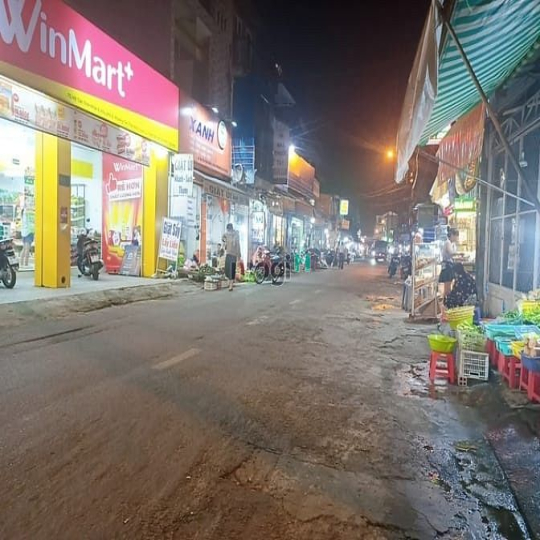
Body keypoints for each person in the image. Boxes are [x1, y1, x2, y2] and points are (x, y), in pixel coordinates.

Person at [439, 228, 459, 298]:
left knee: (449, 284)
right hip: (447, 266)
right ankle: (446, 300)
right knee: (447, 285)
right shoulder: (448, 242)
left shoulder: (452, 243)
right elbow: (451, 253)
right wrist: (459, 254)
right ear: (452, 235)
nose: (457, 238)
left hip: (450, 265)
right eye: (456, 236)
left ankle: (447, 299)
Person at [223, 223, 241, 291]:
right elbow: (223, 237)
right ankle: (229, 283)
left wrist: (239, 256)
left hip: (234, 255)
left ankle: (231, 286)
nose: (228, 231)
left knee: (232, 270)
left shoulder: (236, 235)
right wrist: (224, 241)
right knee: (227, 269)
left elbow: (238, 245)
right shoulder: (226, 234)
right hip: (228, 254)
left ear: (231, 229)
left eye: (229, 229)